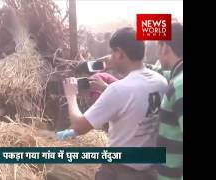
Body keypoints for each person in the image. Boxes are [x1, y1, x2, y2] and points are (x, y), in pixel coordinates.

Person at [57, 27, 168, 180]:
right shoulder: (160, 81)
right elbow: (134, 100)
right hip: (151, 170)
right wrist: (106, 86)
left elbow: (79, 126)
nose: (110, 57)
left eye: (113, 52)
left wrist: (71, 96)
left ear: (120, 53)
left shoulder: (118, 90)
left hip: (120, 170)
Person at [155, 22, 183, 180]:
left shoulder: (180, 85)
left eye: (158, 46)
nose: (158, 53)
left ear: (165, 47)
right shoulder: (177, 77)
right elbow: (161, 72)